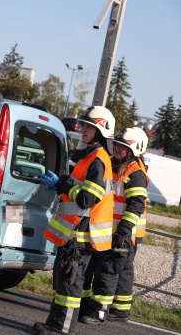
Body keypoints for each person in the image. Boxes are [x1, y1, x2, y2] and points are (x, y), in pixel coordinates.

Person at [33, 105, 115, 335]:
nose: (83, 129)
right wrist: (61, 182)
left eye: (89, 126)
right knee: (63, 282)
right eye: (84, 125)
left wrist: (63, 184)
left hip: (80, 236)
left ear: (101, 130)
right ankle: (54, 324)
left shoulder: (98, 159)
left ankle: (62, 330)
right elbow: (79, 186)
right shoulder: (91, 155)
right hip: (73, 234)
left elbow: (87, 198)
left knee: (70, 285)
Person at [78, 127, 149, 324]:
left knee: (108, 270)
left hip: (122, 232)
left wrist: (123, 232)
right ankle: (118, 310)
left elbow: (136, 205)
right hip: (110, 231)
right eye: (117, 145)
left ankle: (99, 312)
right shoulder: (114, 165)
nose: (119, 149)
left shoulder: (135, 174)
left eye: (124, 147)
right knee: (118, 270)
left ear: (134, 151)